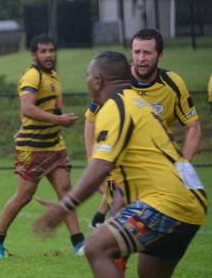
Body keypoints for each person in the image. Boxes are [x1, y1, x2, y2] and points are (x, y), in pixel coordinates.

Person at [35, 51, 207, 278]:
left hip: (166, 202)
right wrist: (115, 215)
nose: (88, 82)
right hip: (190, 199)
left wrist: (65, 207)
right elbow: (127, 178)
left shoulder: (113, 109)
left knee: (96, 248)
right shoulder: (138, 105)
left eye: (89, 77)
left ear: (97, 80)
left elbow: (100, 167)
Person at [85, 28, 202, 230]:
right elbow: (91, 121)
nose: (141, 58)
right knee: (121, 221)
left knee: (143, 230)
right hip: (120, 172)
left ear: (160, 55)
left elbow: (193, 127)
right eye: (136, 52)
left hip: (158, 171)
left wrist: (182, 166)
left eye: (147, 53)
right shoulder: (117, 83)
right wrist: (92, 163)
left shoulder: (173, 84)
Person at [0, 34, 84, 259]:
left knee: (66, 193)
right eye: (43, 51)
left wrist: (57, 121)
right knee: (23, 197)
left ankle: (79, 244)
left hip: (55, 145)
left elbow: (44, 109)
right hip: (34, 148)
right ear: (34, 55)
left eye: (51, 50)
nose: (49, 55)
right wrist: (60, 121)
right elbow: (27, 108)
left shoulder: (53, 75)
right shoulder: (32, 75)